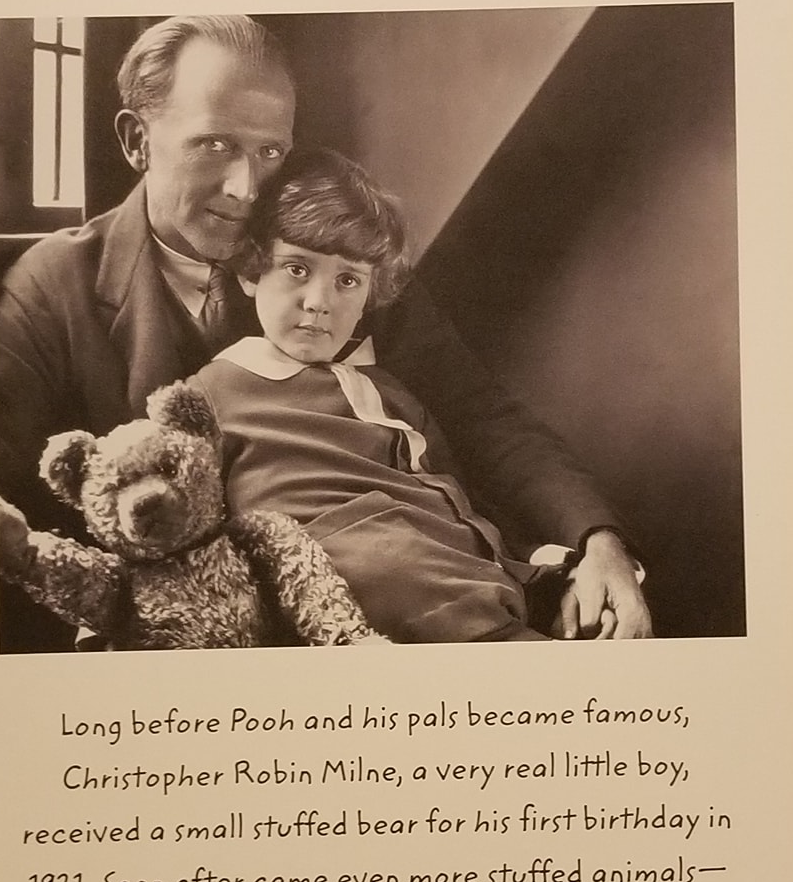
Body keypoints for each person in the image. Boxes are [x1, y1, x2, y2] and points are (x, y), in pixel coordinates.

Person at [0, 13, 650, 648]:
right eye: (214, 144)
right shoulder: (52, 288)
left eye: (269, 150)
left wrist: (598, 542)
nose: (247, 187)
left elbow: (478, 414)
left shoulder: (333, 250)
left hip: (404, 608)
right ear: (137, 140)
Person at [195, 151, 576, 642]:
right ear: (251, 272)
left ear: (369, 297)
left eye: (347, 281)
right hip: (346, 584)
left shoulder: (388, 390)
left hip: (453, 585)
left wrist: (533, 566)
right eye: (296, 269)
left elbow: (455, 502)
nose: (318, 302)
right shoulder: (213, 389)